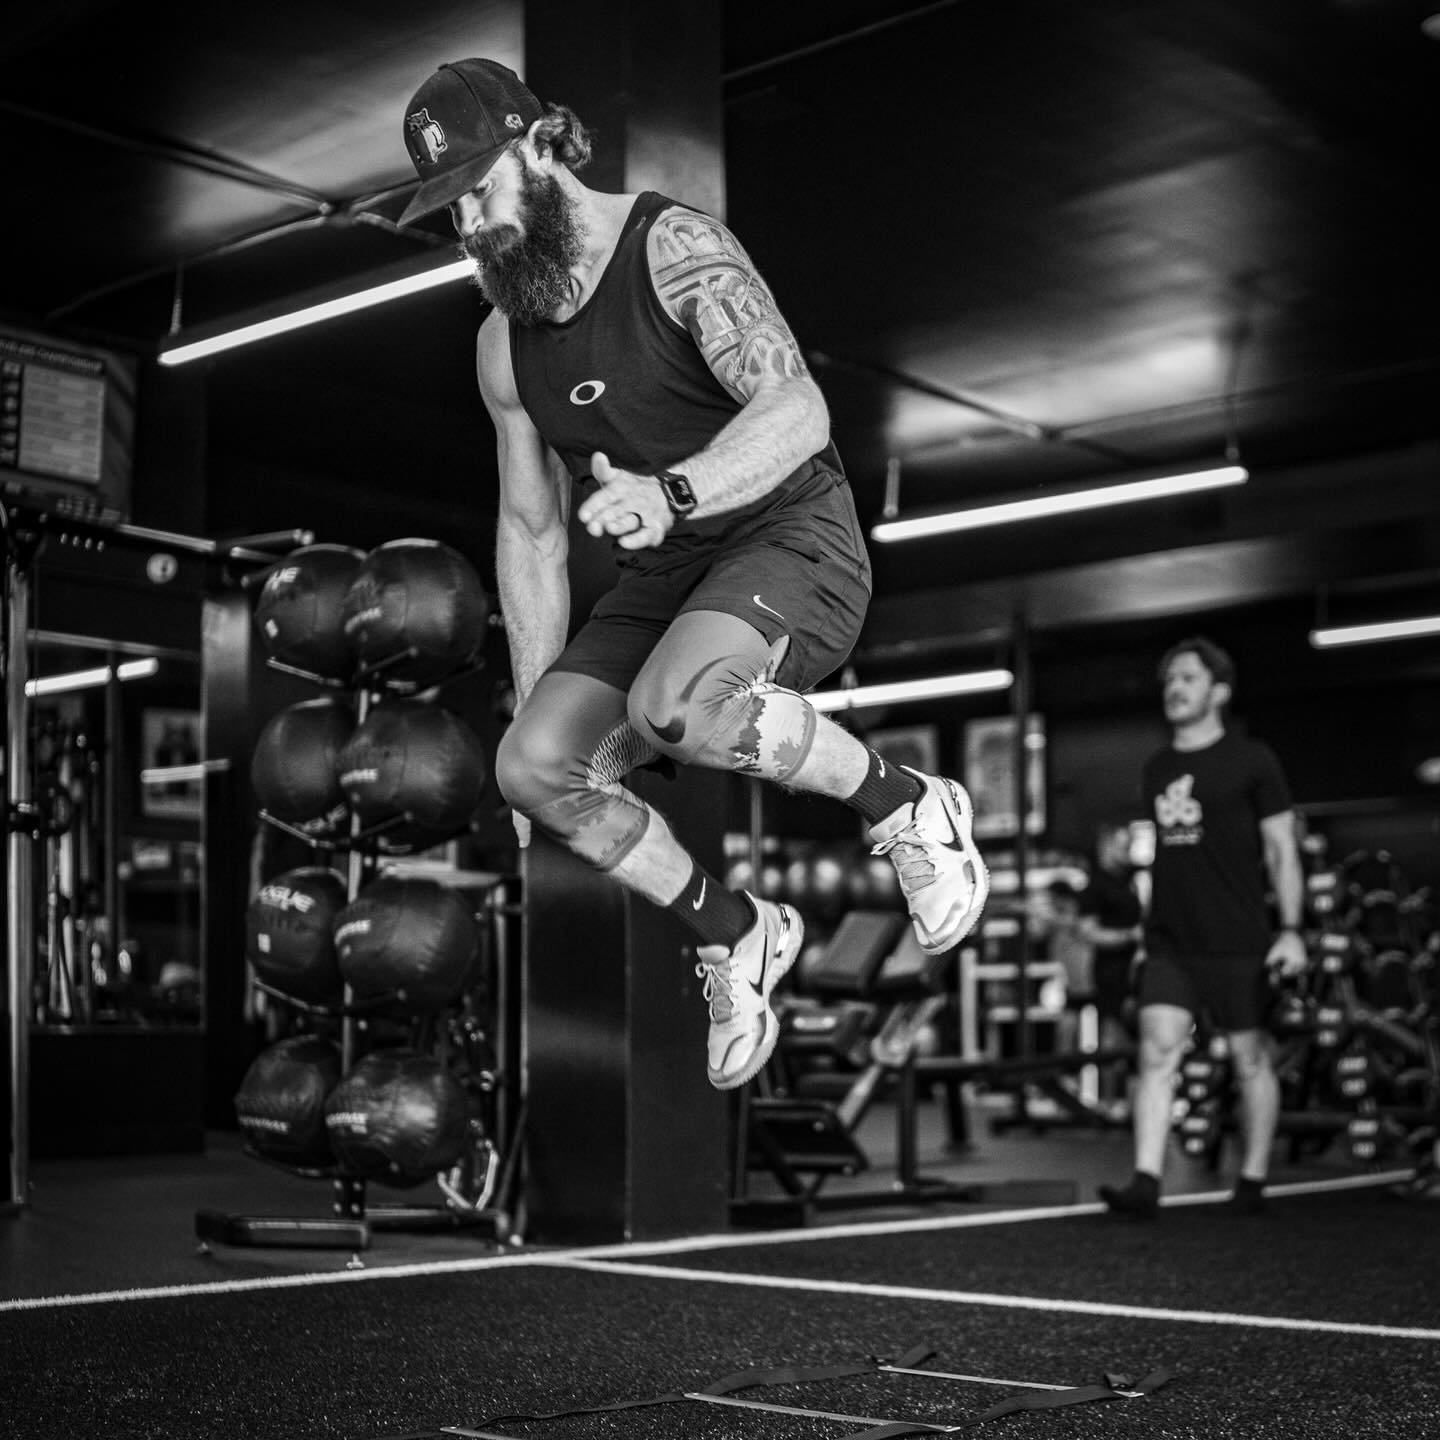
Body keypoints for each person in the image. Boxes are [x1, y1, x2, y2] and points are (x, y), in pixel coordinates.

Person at [397, 58, 989, 1090]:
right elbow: (532, 531)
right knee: (530, 768)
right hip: (672, 575)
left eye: (479, 191)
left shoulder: (674, 248)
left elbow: (799, 411)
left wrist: (674, 492)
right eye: (448, 211)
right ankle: (738, 929)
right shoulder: (503, 346)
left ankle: (908, 805)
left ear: (541, 146)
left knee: (683, 706)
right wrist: (546, 703)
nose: (469, 229)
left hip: (792, 535)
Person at [1099, 637, 1306, 1218]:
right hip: (1170, 940)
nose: (1174, 687)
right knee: (1156, 1051)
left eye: (1187, 678)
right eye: (1169, 679)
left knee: (1251, 1060)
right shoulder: (1158, 768)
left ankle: (1253, 1180)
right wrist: (1144, 934)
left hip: (1239, 936)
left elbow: (1282, 850)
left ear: (1219, 691)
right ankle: (1145, 1180)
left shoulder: (1253, 760)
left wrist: (1291, 929)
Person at [1077, 821, 1144, 1106]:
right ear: (1106, 847)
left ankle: (1130, 1101)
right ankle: (1105, 1101)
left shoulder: (1128, 881)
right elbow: (1087, 931)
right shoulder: (1095, 886)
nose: (1128, 851)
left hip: (1136, 968)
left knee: (1134, 1034)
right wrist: (1129, 936)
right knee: (1112, 1035)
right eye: (1122, 845)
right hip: (1111, 970)